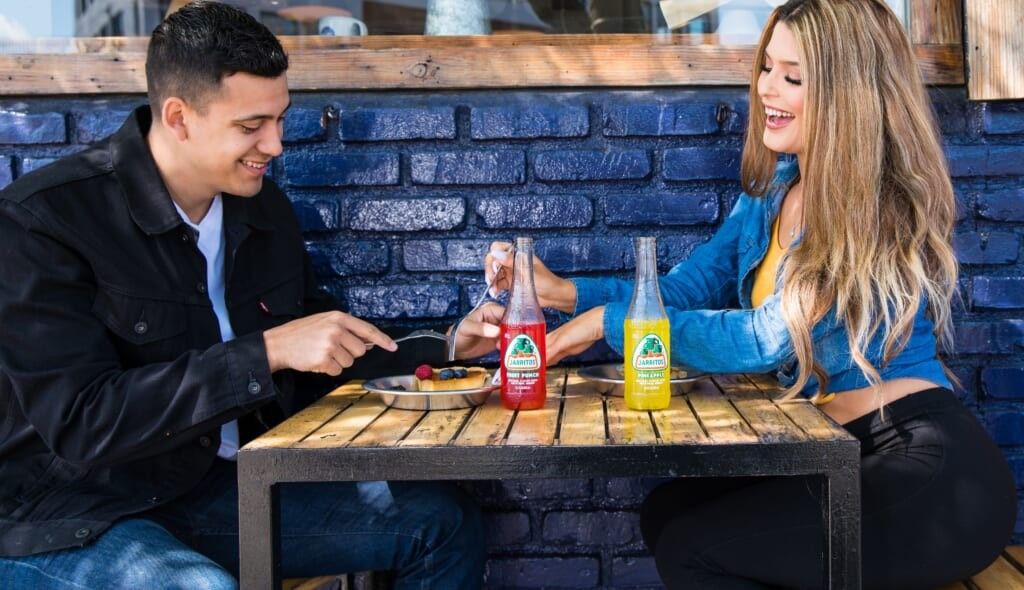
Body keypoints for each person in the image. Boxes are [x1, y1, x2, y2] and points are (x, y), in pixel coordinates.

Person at [485, 0, 1015, 587]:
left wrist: (606, 325)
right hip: (836, 450)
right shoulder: (768, 198)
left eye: (793, 77)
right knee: (668, 512)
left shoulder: (873, 210)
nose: (767, 88)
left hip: (922, 465)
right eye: (767, 67)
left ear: (848, 98)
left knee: (693, 546)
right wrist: (562, 293)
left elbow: (767, 338)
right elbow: (679, 291)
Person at [0, 2, 498, 588]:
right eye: (250, 126)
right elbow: (84, 423)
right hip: (74, 513)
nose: (277, 144)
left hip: (215, 491)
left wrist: (444, 348)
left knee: (440, 522)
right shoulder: (44, 221)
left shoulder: (261, 210)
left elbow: (315, 349)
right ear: (179, 117)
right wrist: (263, 353)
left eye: (281, 119)